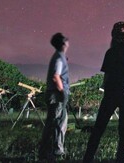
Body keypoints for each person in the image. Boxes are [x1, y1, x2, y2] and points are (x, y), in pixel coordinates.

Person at [83, 22, 124, 163]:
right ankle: (120, 159)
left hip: (111, 93)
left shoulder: (111, 53)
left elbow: (107, 76)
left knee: (99, 127)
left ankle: (88, 157)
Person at [39, 32, 70, 160]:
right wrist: (62, 92)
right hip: (57, 95)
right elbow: (56, 76)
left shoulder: (59, 56)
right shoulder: (59, 58)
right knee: (56, 123)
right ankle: (53, 151)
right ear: (63, 44)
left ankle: (51, 150)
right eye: (66, 41)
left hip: (55, 94)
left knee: (57, 122)